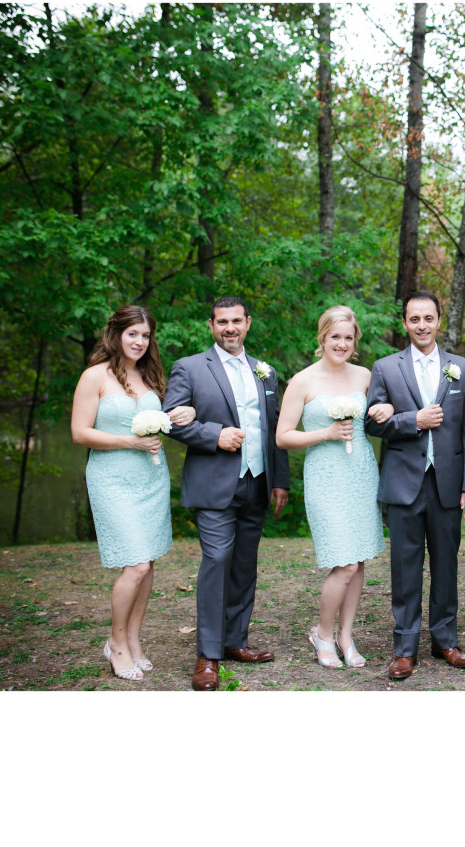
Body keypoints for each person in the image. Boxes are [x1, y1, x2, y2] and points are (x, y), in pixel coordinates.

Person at [164, 296, 291, 692]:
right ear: (211, 325)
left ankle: (235, 641)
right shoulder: (189, 368)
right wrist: (213, 434)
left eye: (237, 321)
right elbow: (170, 421)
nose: (230, 328)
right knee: (217, 559)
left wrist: (279, 479)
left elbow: (274, 428)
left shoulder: (265, 372)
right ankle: (207, 655)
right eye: (222, 322)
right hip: (214, 482)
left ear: (248, 324)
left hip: (256, 480)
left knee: (243, 564)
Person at [70, 305, 196, 682]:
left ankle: (135, 642)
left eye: (145, 335)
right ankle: (116, 642)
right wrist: (127, 441)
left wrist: (183, 416)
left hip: (151, 476)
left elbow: (164, 422)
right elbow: (79, 433)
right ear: (116, 334)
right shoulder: (95, 377)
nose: (140, 341)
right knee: (136, 564)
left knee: (148, 563)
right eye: (133, 334)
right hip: (112, 477)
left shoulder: (150, 376)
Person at [364, 291, 465, 681]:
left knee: (446, 564)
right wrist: (412, 419)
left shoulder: (462, 369)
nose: (421, 325)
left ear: (438, 321)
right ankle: (404, 647)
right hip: (404, 483)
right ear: (404, 323)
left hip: (448, 482)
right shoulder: (385, 368)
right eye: (414, 319)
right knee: (405, 566)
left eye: (428, 318)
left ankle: (445, 640)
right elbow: (372, 423)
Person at [275, 306, 385, 669]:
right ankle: (322, 634)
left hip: (361, 472)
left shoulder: (366, 376)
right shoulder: (302, 381)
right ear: (322, 337)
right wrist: (325, 432)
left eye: (348, 338)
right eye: (335, 336)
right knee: (344, 563)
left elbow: (387, 409)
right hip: (325, 476)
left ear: (355, 343)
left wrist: (386, 410)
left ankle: (346, 636)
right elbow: (283, 436)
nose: (341, 343)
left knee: (359, 558)